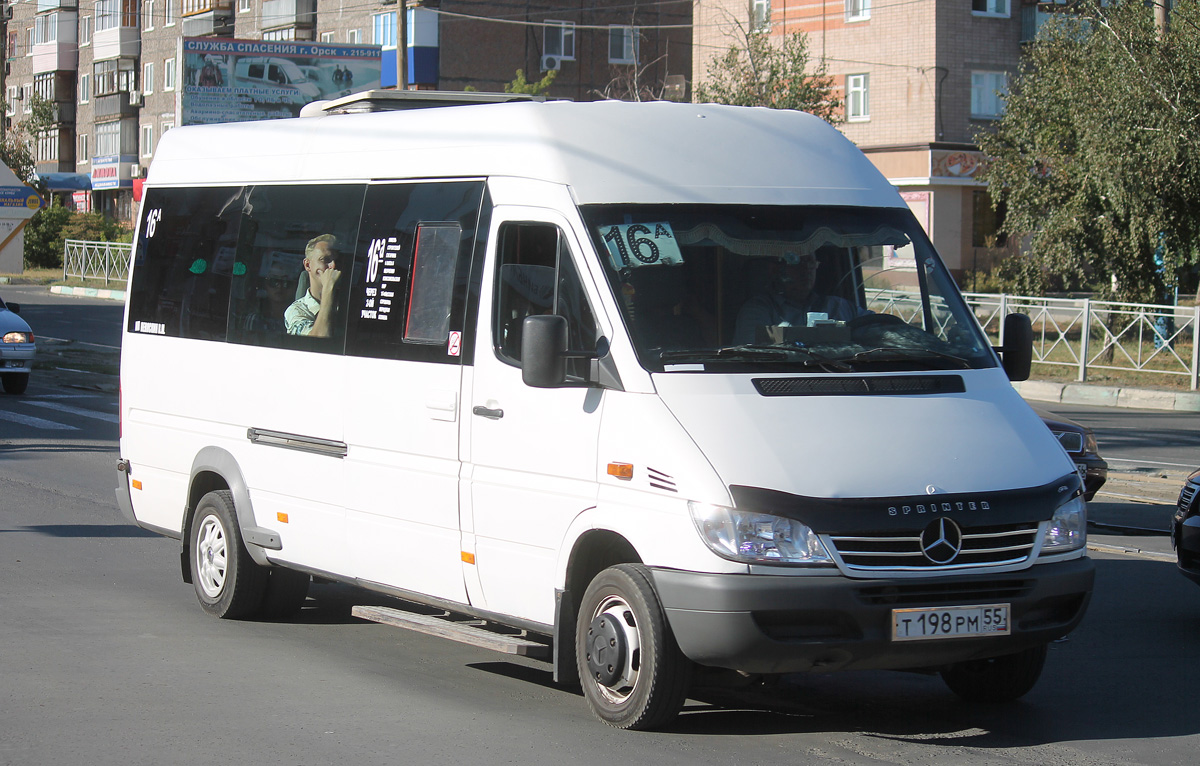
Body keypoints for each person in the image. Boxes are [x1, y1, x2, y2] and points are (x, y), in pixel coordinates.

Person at [733, 251, 868, 344]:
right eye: (796, 261)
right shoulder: (757, 310)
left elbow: (875, 327)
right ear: (775, 269)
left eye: (810, 262)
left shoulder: (840, 307)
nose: (806, 268)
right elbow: (753, 351)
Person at [285, 234, 342, 337]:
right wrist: (328, 289)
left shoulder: (349, 304)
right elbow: (318, 339)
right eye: (325, 259)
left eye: (337, 261)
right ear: (308, 265)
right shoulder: (297, 311)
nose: (333, 266)